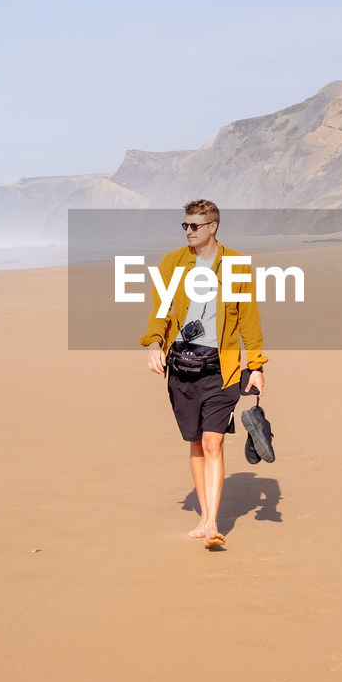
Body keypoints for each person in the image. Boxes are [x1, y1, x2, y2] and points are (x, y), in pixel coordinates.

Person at [140, 200, 268, 549]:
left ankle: (212, 522)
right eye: (185, 226)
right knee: (195, 442)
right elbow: (161, 308)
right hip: (182, 366)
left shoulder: (237, 264)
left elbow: (248, 318)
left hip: (221, 368)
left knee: (214, 441)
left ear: (212, 227)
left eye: (194, 226)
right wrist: (154, 344)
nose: (188, 232)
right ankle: (203, 517)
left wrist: (255, 366)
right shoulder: (172, 263)